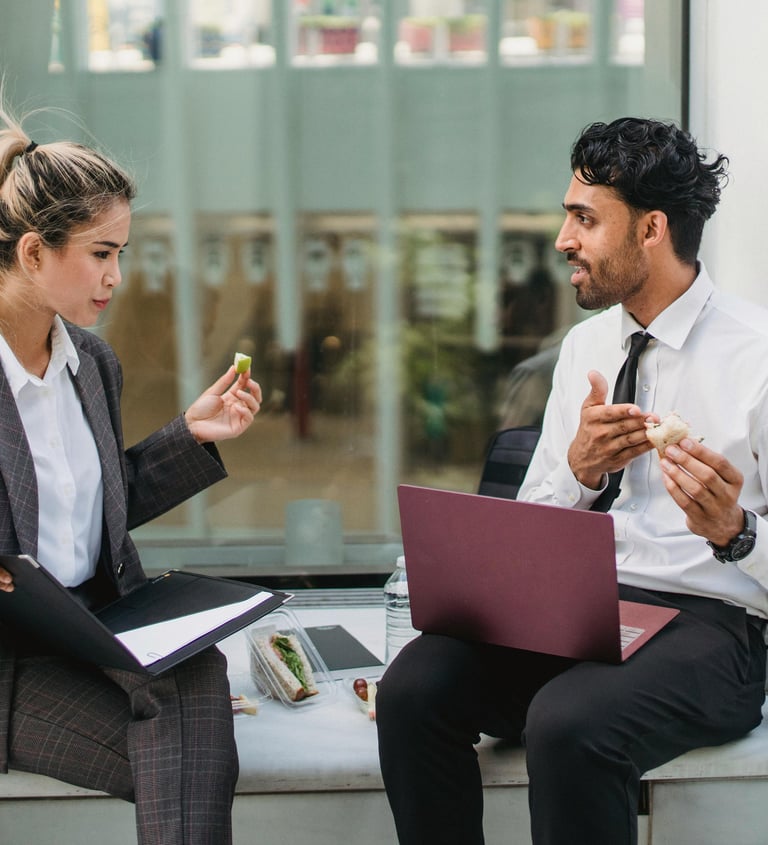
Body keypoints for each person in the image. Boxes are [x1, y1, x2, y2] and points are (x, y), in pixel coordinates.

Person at [376, 116, 768, 845]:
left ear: (650, 229)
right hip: (582, 612)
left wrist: (735, 532)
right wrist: (583, 473)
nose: (563, 240)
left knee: (567, 723)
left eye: (584, 219)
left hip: (713, 629)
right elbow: (537, 528)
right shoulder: (587, 347)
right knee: (413, 688)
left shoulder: (759, 359)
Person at [0, 99, 263, 843]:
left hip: (98, 626)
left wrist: (190, 435)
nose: (118, 275)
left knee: (197, 675)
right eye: (101, 252)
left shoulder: (92, 364)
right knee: (189, 745)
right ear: (31, 253)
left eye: (122, 251)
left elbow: (87, 507)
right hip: (11, 660)